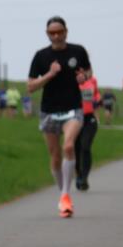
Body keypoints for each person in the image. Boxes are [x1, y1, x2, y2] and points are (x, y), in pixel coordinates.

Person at [27, 16, 91, 218]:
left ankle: (65, 195)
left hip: (73, 108)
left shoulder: (78, 51)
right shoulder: (41, 56)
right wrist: (50, 74)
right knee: (55, 157)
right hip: (49, 111)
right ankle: (62, 193)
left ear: (66, 31)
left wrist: (84, 77)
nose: (56, 35)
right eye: (51, 33)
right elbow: (30, 87)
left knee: (69, 146)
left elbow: (88, 72)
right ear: (48, 34)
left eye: (59, 32)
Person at [74, 70, 101, 190]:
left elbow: (92, 94)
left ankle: (84, 178)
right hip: (74, 119)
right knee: (75, 149)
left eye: (87, 70)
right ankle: (79, 174)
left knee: (85, 147)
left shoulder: (92, 81)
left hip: (89, 119)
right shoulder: (70, 82)